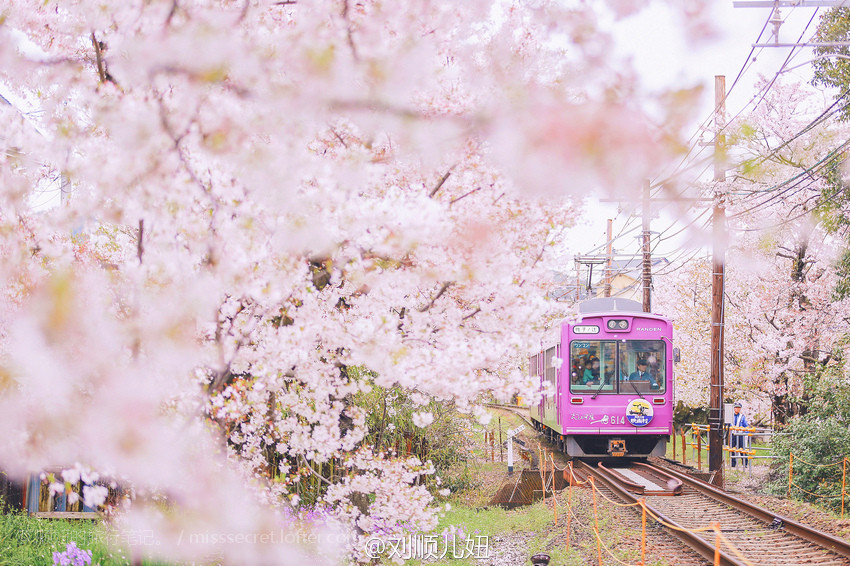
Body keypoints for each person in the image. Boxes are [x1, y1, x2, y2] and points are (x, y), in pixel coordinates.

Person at [730, 401, 749, 468]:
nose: (737, 409)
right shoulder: (731, 416)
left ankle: (745, 463)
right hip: (733, 434)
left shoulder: (742, 417)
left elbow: (746, 425)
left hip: (740, 434)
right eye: (736, 408)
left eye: (738, 408)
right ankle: (733, 463)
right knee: (732, 449)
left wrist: (746, 434)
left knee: (742, 449)